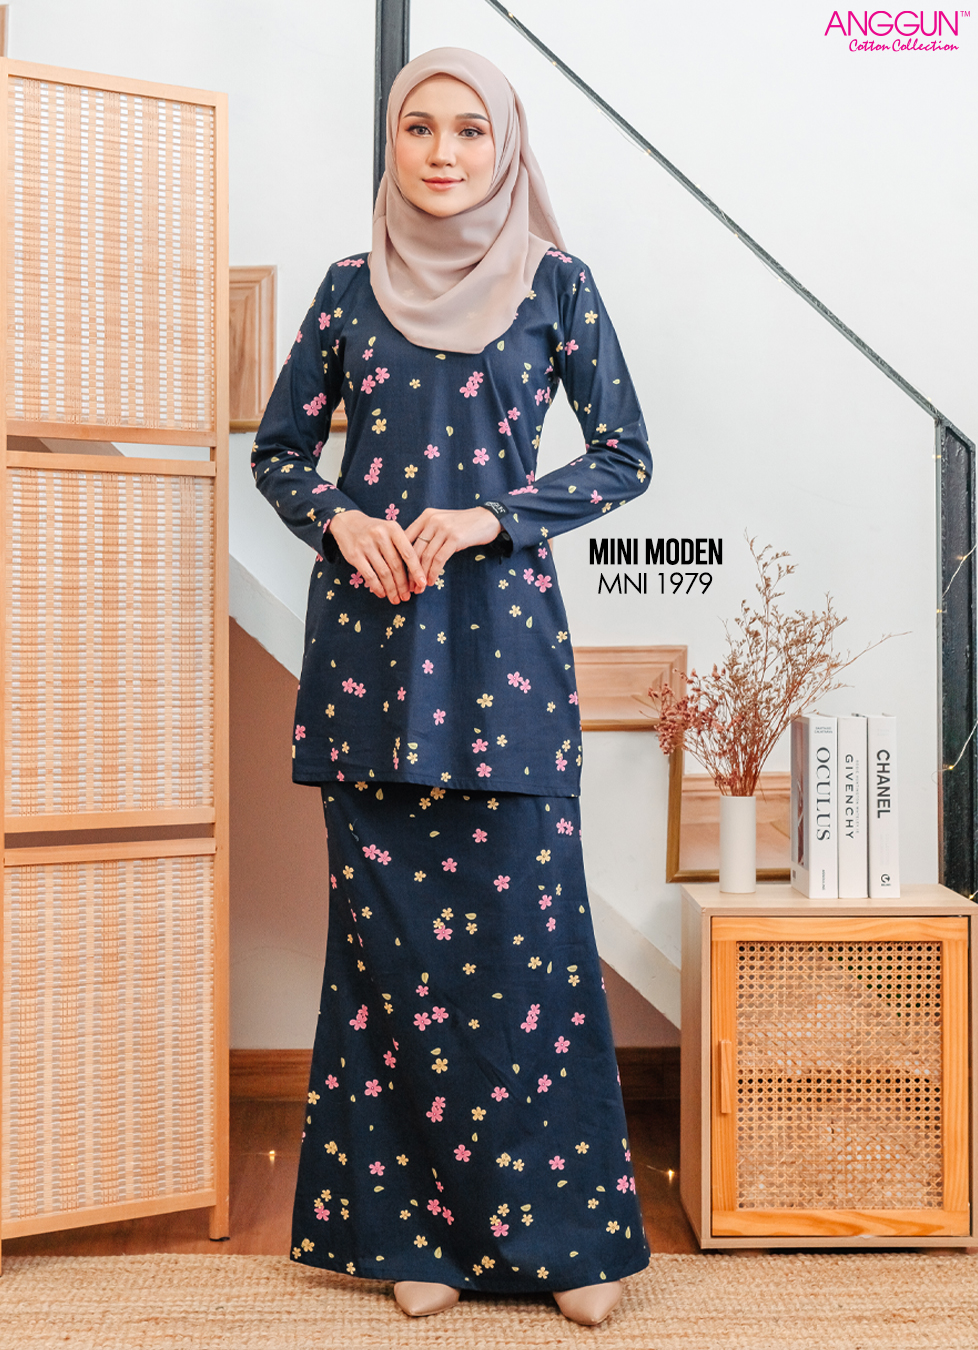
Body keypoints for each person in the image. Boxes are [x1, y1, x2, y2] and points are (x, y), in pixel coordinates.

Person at [251, 46, 652, 1327]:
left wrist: (494, 517)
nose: (442, 151)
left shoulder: (556, 283)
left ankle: (568, 1244)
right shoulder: (345, 290)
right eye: (418, 127)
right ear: (392, 143)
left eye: (469, 129)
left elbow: (625, 454)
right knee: (390, 958)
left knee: (533, 956)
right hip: (372, 657)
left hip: (505, 655)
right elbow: (278, 451)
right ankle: (407, 1233)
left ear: (506, 145)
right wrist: (337, 518)